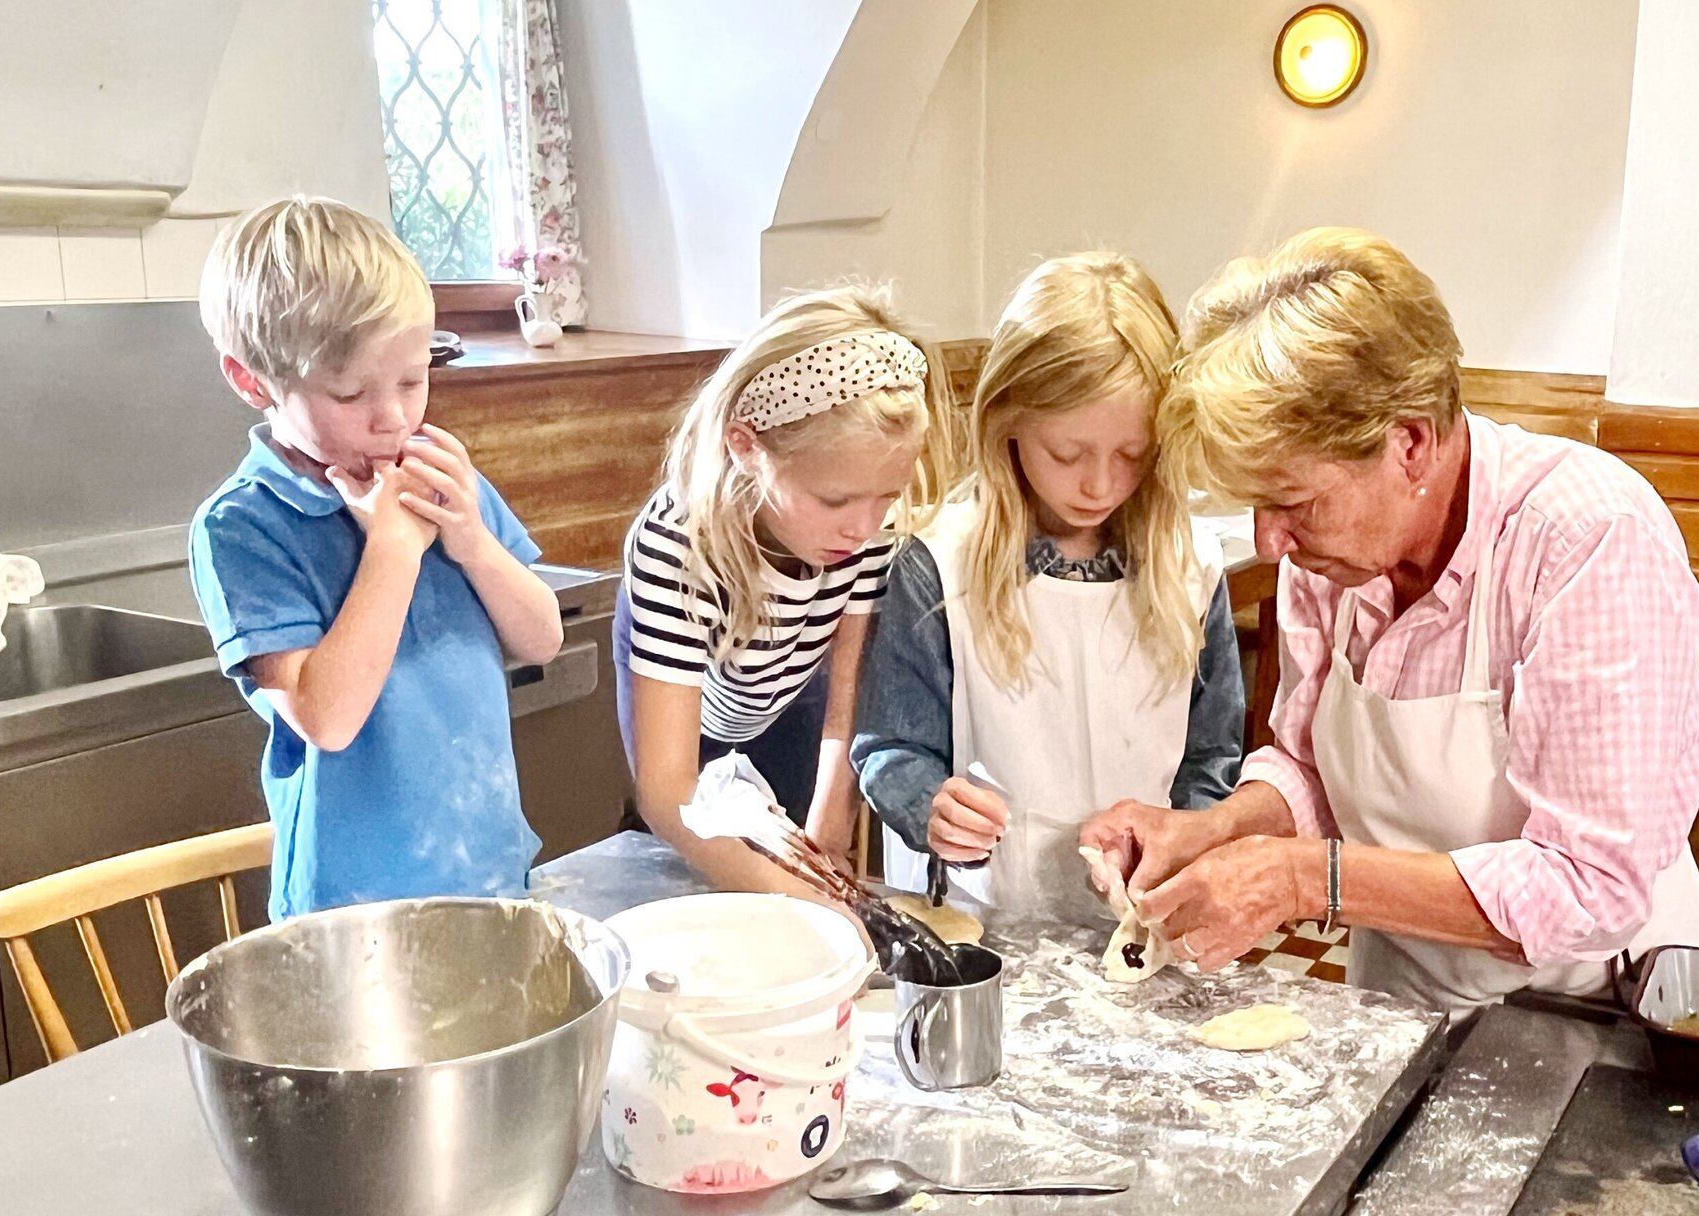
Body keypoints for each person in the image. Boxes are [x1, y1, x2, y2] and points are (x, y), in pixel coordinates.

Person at [1083, 227, 1699, 1021]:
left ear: (1409, 441)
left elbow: (1587, 885)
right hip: (1403, 993)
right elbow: (1312, 768)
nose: (1270, 541)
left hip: (1593, 1007)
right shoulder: (1333, 558)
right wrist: (1210, 832)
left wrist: (1296, 879)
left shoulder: (1586, 538)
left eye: (1292, 502)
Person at [189, 196, 562, 919]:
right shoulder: (244, 527)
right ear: (251, 380)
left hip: (487, 868)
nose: (392, 416)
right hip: (353, 905)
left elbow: (541, 637)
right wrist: (392, 550)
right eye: (350, 391)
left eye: (414, 380)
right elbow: (327, 718)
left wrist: (473, 545)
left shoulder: (439, 478)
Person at [852, 254, 1244, 922]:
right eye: (1067, 453)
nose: (1098, 485)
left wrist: (1182, 839)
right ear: (1008, 421)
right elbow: (890, 746)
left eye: (1130, 456)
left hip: (1139, 914)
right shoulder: (939, 561)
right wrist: (927, 804)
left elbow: (1212, 754)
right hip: (980, 919)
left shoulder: (1190, 566)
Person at [616, 286, 954, 898]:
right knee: (702, 878)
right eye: (836, 500)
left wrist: (830, 821)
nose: (864, 524)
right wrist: (795, 897)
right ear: (747, 446)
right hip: (694, 726)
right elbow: (668, 792)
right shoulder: (680, 544)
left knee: (804, 856)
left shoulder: (867, 519)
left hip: (795, 698)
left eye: (887, 495)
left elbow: (848, 686)